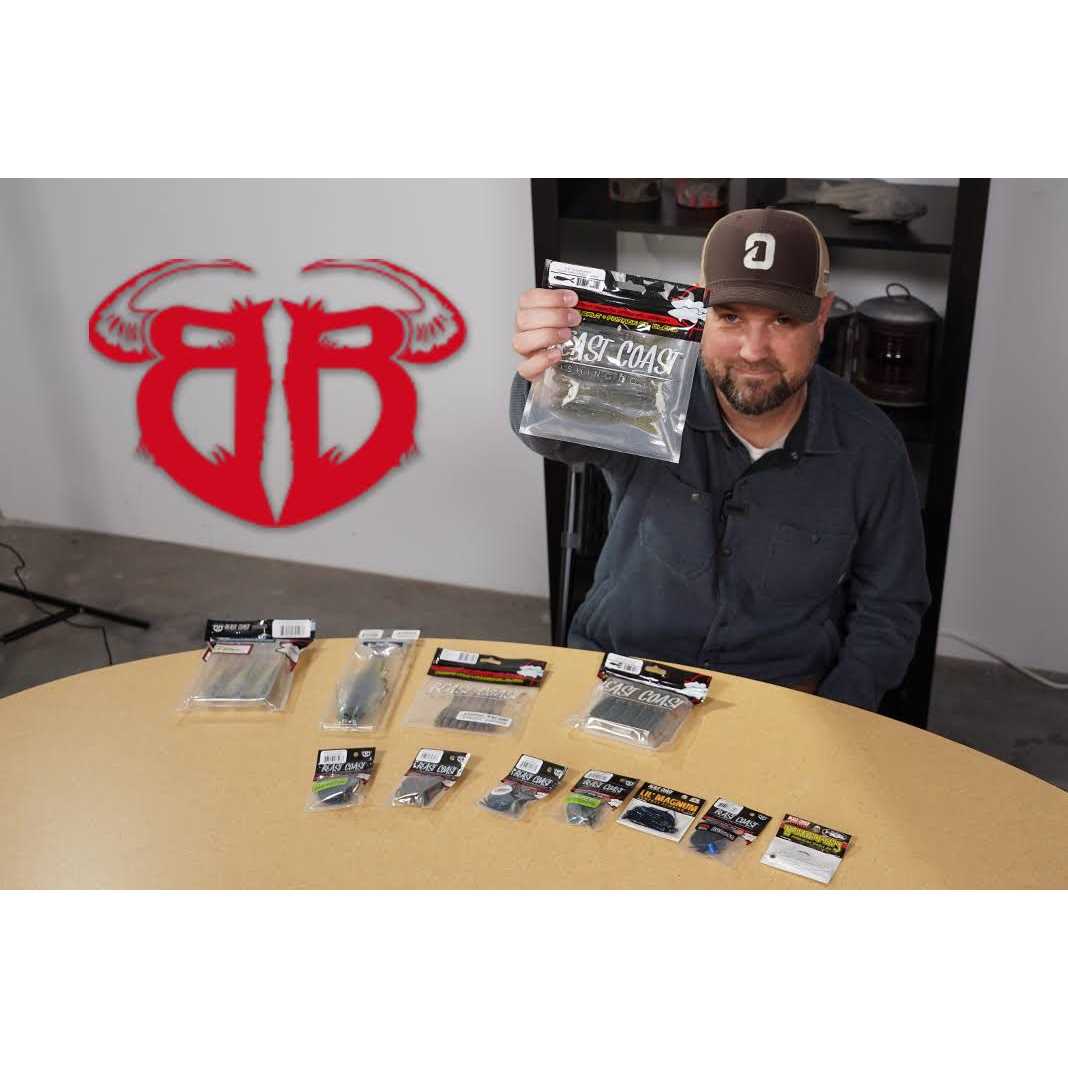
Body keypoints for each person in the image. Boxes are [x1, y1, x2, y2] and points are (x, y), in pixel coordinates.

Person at [508, 207, 931, 713]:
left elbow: (891, 606)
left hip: (778, 695)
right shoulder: (649, 389)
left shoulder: (870, 446)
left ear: (822, 317)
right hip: (622, 668)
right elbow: (551, 438)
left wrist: (838, 714)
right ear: (697, 309)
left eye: (783, 319)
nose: (753, 350)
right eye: (730, 317)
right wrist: (543, 371)